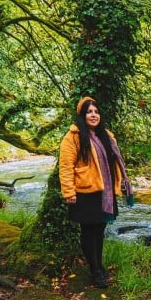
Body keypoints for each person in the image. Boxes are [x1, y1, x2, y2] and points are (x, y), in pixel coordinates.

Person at [58, 96, 134, 288]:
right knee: (88, 230)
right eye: (89, 112)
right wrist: (69, 192)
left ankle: (98, 265)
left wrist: (121, 184)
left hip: (105, 192)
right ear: (82, 115)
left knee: (100, 230)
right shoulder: (73, 137)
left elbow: (114, 163)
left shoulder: (107, 135)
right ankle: (95, 271)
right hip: (85, 191)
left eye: (96, 112)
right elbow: (66, 166)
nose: (93, 115)